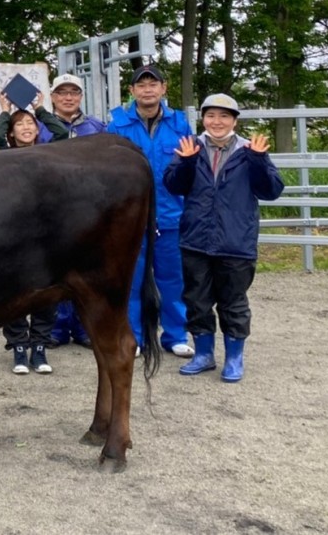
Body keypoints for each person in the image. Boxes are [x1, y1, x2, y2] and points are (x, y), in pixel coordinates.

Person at [164, 93, 284, 382]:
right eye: (211, 116)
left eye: (224, 116)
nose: (217, 122)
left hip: (236, 241)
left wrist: (258, 161)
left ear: (234, 120)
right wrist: (186, 163)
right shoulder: (189, 146)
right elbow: (173, 185)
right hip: (196, 239)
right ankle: (203, 354)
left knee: (234, 301)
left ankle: (234, 358)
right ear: (203, 118)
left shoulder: (249, 150)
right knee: (197, 299)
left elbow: (271, 190)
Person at [106, 64, 195, 358]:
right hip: (130, 218)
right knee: (132, 279)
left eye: (153, 84)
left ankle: (175, 334)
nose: (147, 90)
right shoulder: (117, 126)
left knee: (172, 278)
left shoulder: (180, 124)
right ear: (131, 91)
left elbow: (189, 167)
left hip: (170, 216)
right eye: (141, 85)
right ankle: (135, 336)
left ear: (163, 88)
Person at [0, 97, 66, 375]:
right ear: (12, 131)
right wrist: (4, 112)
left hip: (46, 234)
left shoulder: (50, 153)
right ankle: (19, 346)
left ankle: (41, 345)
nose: (25, 127)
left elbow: (61, 132)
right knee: (15, 292)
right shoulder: (3, 154)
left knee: (47, 292)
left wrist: (40, 109)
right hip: (13, 235)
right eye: (19, 124)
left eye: (29, 123)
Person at [42, 73, 106, 347]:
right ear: (53, 96)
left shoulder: (96, 127)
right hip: (51, 207)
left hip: (88, 207)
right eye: (62, 92)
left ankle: (82, 325)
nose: (68, 97)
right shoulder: (39, 126)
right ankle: (55, 327)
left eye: (73, 92)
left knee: (86, 268)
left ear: (81, 96)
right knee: (54, 267)